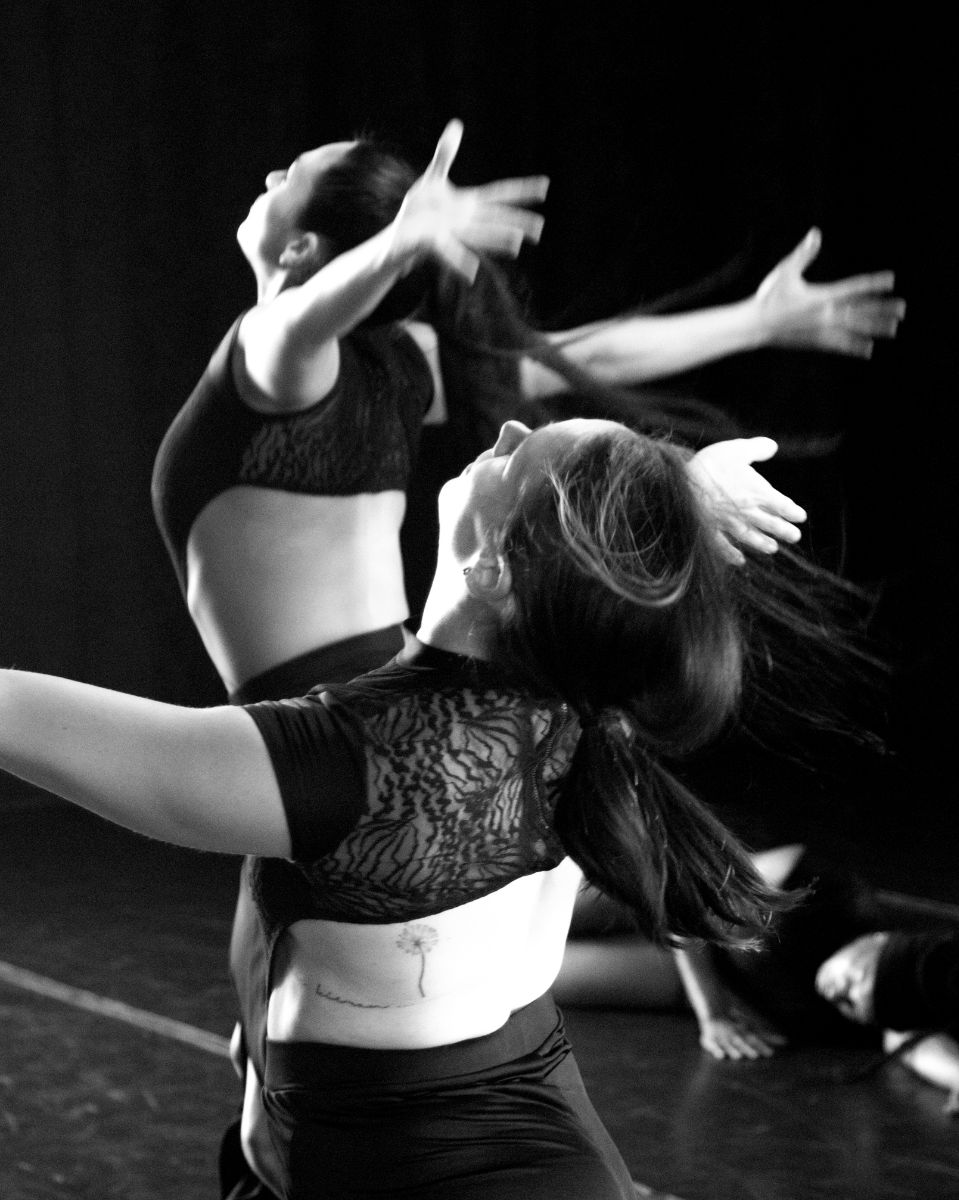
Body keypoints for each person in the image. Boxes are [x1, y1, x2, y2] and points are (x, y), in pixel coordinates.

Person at [148, 118, 903, 1194]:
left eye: (291, 173)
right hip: (410, 704)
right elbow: (581, 359)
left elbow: (297, 321)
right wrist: (755, 319)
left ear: (304, 246)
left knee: (303, 1061)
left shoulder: (277, 366)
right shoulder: (385, 365)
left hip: (342, 735)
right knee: (448, 973)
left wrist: (398, 246)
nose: (270, 171)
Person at [3, 415, 873, 1197]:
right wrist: (670, 498)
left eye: (520, 457)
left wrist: (668, 493)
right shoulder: (581, 699)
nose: (506, 428)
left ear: (494, 568)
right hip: (529, 1139)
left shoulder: (351, 762)